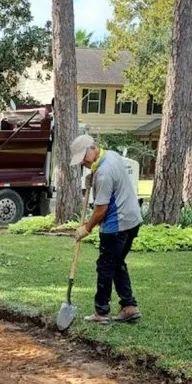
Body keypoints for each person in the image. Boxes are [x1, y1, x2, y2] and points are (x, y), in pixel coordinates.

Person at [69, 134, 143, 324]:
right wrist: (91, 178)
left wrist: (86, 228)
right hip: (133, 220)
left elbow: (101, 210)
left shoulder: (103, 172)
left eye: (83, 159)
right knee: (117, 263)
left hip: (117, 224)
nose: (82, 164)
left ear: (91, 149)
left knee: (105, 266)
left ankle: (101, 312)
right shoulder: (110, 155)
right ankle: (129, 307)